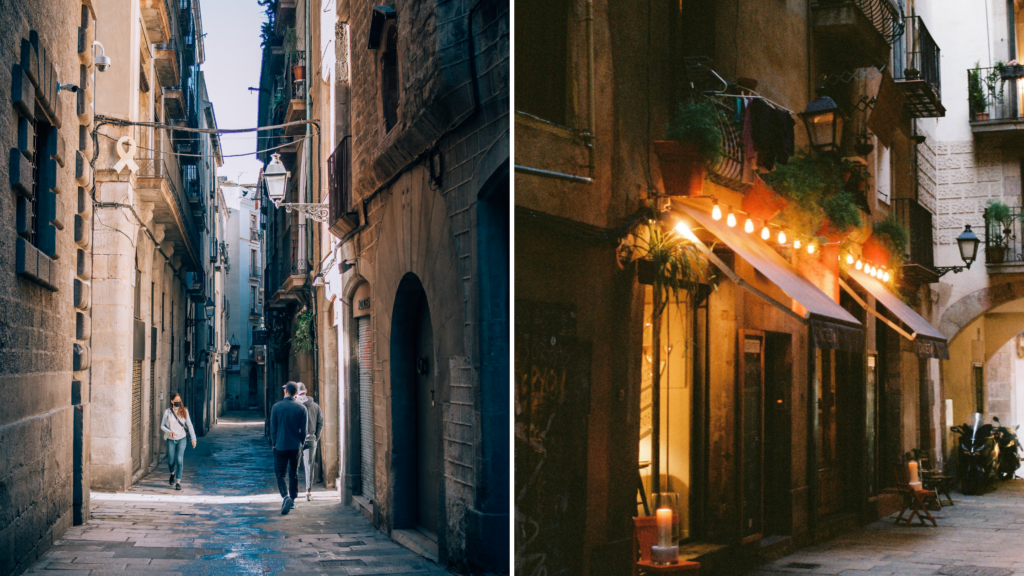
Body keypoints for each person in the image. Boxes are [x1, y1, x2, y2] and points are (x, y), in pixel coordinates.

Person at [270, 381, 307, 514]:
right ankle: (292, 500)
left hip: (280, 446)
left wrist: (274, 443)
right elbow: (303, 431)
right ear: (296, 393)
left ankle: (285, 496)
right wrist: (301, 443)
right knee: (294, 474)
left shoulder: (276, 407)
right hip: (295, 446)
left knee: (280, 474)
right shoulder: (302, 409)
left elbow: (273, 429)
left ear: (286, 392)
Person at [160, 393, 196, 491]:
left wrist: (193, 439)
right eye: (176, 401)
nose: (178, 402)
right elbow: (162, 426)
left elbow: (190, 425)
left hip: (182, 438)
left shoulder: (184, 411)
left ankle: (178, 481)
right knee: (171, 461)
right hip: (170, 439)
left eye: (179, 400)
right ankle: (172, 473)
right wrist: (168, 431)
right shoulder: (167, 412)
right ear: (172, 401)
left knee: (179, 459)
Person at [294, 382, 323, 501]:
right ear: (305, 391)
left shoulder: (294, 405)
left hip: (296, 440)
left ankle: (293, 492)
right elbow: (320, 422)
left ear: (296, 393)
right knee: (309, 466)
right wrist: (316, 437)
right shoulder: (315, 406)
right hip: (311, 439)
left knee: (294, 466)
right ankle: (308, 492)